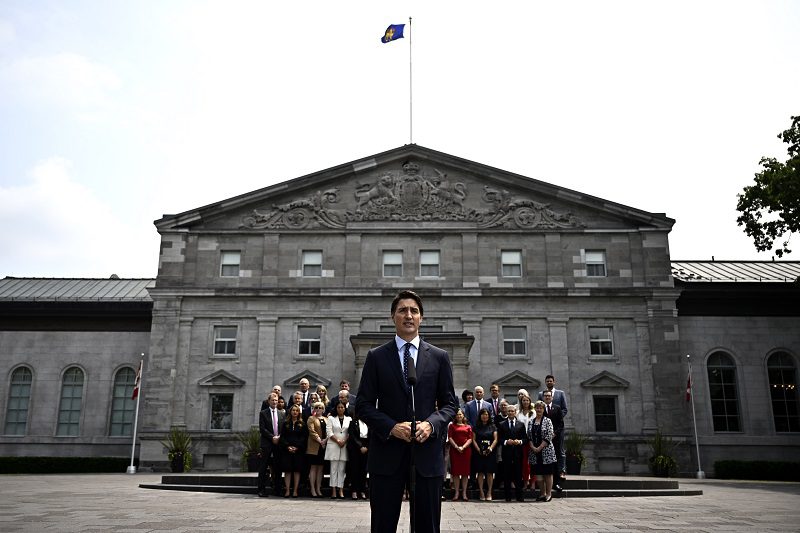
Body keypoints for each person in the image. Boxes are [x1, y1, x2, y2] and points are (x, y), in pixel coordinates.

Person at [356, 290, 457, 533]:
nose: (408, 315)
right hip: (386, 456)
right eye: (402, 310)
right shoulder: (376, 357)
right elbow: (363, 405)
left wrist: (431, 424)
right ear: (393, 317)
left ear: (421, 318)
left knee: (427, 527)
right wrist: (391, 427)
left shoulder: (439, 357)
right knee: (382, 526)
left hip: (427, 456)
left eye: (414, 311)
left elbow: (450, 404)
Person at [538, 374, 568, 483]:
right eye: (547, 381)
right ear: (545, 382)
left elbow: (564, 409)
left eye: (551, 381)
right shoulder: (541, 394)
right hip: (545, 430)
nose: (549, 382)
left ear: (554, 382)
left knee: (560, 450)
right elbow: (539, 409)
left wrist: (555, 419)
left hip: (557, 429)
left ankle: (562, 470)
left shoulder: (560, 394)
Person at [497, 404, 527, 502]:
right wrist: (506, 442)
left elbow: (525, 438)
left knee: (518, 475)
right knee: (507, 475)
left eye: (512, 411)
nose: (510, 413)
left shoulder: (520, 424)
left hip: (518, 453)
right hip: (507, 453)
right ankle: (508, 497)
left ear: (515, 412)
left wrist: (520, 441)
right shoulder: (502, 424)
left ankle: (519, 496)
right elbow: (499, 439)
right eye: (508, 411)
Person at [528, 400, 556, 502]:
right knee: (538, 473)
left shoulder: (548, 421)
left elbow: (549, 435)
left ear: (544, 409)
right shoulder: (531, 421)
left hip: (546, 451)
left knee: (547, 473)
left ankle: (549, 494)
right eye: (537, 408)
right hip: (534, 452)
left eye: (541, 408)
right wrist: (532, 447)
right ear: (535, 409)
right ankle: (542, 493)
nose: (539, 409)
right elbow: (529, 436)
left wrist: (539, 447)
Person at [257, 392, 284, 497]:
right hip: (267, 443)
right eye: (272, 400)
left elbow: (283, 428)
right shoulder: (263, 413)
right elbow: (262, 429)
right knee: (263, 467)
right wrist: (272, 437)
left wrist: (279, 437)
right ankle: (261, 490)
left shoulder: (282, 413)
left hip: (278, 443)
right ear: (269, 401)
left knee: (278, 467)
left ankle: (278, 490)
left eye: (276, 400)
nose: (274, 402)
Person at [279, 404, 307, 498]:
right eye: (293, 410)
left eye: (296, 410)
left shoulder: (302, 424)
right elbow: (282, 437)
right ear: (290, 412)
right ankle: (287, 490)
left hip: (298, 451)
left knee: (296, 471)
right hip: (287, 451)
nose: (295, 412)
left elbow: (304, 437)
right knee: (287, 470)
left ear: (299, 412)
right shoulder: (285, 423)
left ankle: (295, 490)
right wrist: (288, 446)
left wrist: (297, 447)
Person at [326, 401, 351, 499]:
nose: (340, 409)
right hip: (334, 445)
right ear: (336, 408)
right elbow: (329, 432)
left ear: (345, 408)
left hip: (344, 446)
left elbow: (350, 432)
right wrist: (338, 441)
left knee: (342, 469)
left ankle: (340, 489)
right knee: (333, 469)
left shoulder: (349, 419)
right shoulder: (331, 418)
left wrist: (344, 441)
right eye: (339, 407)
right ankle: (333, 490)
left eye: (342, 407)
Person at [472, 407, 498, 501]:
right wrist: (478, 449)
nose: (485, 416)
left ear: (489, 416)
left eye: (486, 414)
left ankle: (489, 492)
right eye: (483, 414)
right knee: (480, 472)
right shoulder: (476, 427)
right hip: (479, 452)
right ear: (480, 416)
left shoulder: (493, 426)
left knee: (489, 473)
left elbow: (495, 439)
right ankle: (481, 492)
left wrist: (490, 449)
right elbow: (473, 439)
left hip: (490, 452)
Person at [541, 389, 565, 492]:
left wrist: (554, 433)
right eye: (545, 396)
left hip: (555, 439)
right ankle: (544, 485)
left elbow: (561, 424)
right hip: (542, 440)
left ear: (552, 397)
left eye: (548, 396)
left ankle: (556, 483)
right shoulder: (540, 408)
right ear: (543, 397)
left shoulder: (557, 408)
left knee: (555, 462)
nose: (547, 397)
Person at [447, 409, 473, 501]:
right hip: (455, 451)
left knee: (465, 473)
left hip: (466, 451)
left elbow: (470, 439)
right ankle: (457, 492)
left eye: (460, 414)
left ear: (463, 416)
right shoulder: (452, 426)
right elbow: (450, 437)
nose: (459, 416)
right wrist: (457, 447)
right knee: (456, 472)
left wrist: (463, 447)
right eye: (457, 414)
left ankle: (464, 492)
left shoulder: (468, 426)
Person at [347, 405, 370, 500]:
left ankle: (362, 490)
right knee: (355, 470)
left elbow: (371, 436)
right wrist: (360, 446)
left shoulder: (369, 424)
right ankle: (354, 491)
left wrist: (367, 447)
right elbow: (352, 436)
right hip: (356, 448)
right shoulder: (353, 423)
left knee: (363, 471)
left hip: (366, 448)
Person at [306, 401, 328, 497]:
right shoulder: (311, 418)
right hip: (314, 446)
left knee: (321, 468)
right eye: (316, 407)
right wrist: (320, 441)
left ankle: (318, 489)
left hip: (324, 446)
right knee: (313, 467)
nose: (318, 409)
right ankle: (312, 489)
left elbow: (329, 431)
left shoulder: (326, 419)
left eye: (320, 407)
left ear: (323, 409)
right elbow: (312, 431)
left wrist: (325, 440)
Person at [516, 390, 535, 491]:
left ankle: (533, 482)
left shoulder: (533, 412)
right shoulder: (518, 413)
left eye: (527, 400)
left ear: (530, 401)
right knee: (524, 462)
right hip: (522, 440)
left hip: (532, 440)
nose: (525, 402)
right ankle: (525, 481)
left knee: (532, 462)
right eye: (523, 400)